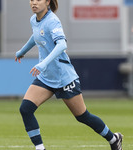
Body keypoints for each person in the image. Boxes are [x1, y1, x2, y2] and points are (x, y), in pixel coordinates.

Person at [15, 0, 123, 150]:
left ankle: (113, 138)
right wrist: (22, 51)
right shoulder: (34, 19)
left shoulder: (53, 21)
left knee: (82, 116)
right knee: (25, 109)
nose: (34, 3)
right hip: (46, 77)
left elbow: (62, 45)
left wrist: (43, 63)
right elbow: (36, 36)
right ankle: (40, 148)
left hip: (63, 78)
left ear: (47, 2)